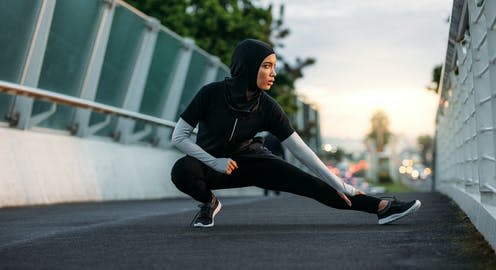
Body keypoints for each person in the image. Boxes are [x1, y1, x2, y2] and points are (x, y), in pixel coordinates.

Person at [170, 39, 421, 228]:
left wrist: (336, 181)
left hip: (252, 161)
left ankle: (381, 207)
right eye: (266, 66)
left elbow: (301, 150)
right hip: (212, 164)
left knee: (311, 185)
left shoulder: (267, 107)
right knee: (182, 171)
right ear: (247, 67)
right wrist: (214, 162)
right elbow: (178, 136)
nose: (273, 74)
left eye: (274, 67)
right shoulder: (210, 94)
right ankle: (209, 203)